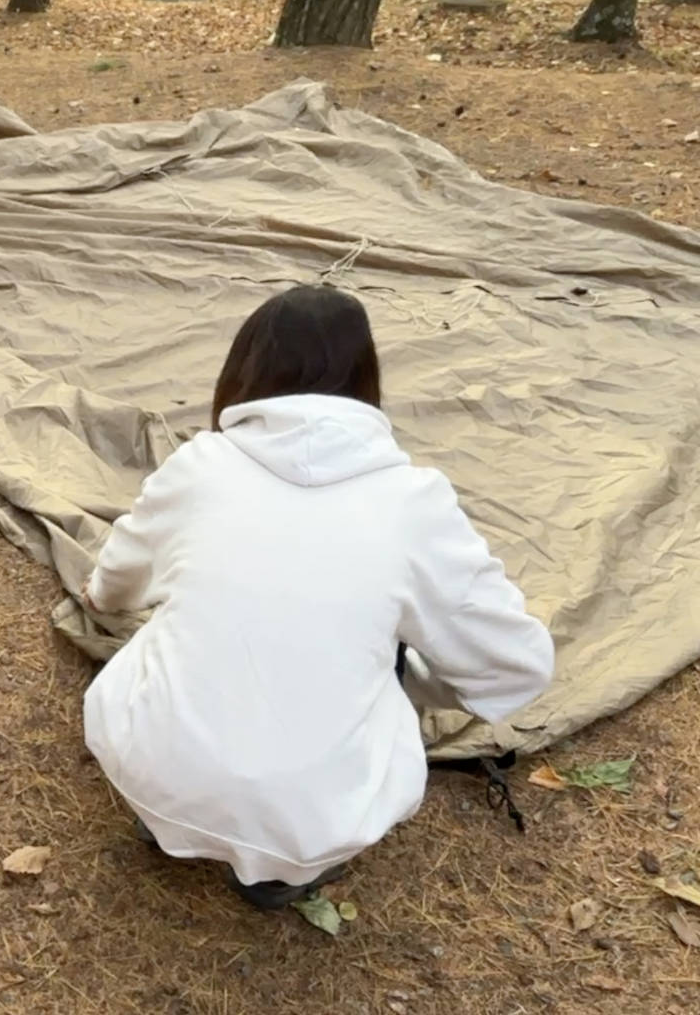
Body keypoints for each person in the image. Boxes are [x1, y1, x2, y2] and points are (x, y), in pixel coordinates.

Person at [80, 285, 556, 910]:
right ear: (367, 378)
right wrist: (414, 685)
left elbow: (117, 578)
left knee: (180, 625)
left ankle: (169, 809)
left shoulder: (200, 465)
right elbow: (516, 665)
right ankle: (280, 874)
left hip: (149, 769)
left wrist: (103, 596)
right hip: (314, 820)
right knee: (383, 644)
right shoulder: (414, 504)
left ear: (243, 369)